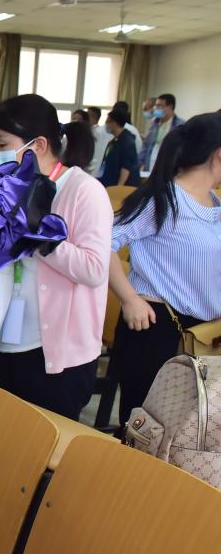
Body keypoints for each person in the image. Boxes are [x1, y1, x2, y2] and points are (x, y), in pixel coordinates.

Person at [0, 94, 113, 554]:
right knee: (5, 463)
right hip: (6, 341)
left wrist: (41, 234)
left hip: (56, 354)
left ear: (38, 144)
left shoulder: (83, 191)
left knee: (42, 476)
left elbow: (94, 268)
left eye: (2, 144)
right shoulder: (10, 185)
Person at [109, 112, 221, 428]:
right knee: (146, 432)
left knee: (189, 435)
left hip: (203, 334)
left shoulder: (213, 202)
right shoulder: (163, 200)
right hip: (157, 329)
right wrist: (129, 299)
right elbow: (100, 243)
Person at [140, 94, 187, 172]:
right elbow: (146, 145)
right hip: (150, 165)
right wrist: (141, 164)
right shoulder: (154, 123)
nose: (155, 108)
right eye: (156, 105)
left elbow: (182, 151)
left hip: (168, 168)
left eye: (159, 106)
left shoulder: (180, 126)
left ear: (170, 107)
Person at [99, 109, 141, 188]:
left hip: (123, 186)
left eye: (107, 122)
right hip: (110, 182)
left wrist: (118, 188)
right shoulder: (115, 140)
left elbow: (126, 168)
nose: (106, 125)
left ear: (114, 123)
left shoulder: (127, 141)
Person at [88, 106, 113, 176]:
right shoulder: (104, 131)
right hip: (100, 168)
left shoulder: (96, 132)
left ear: (92, 116)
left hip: (93, 167)